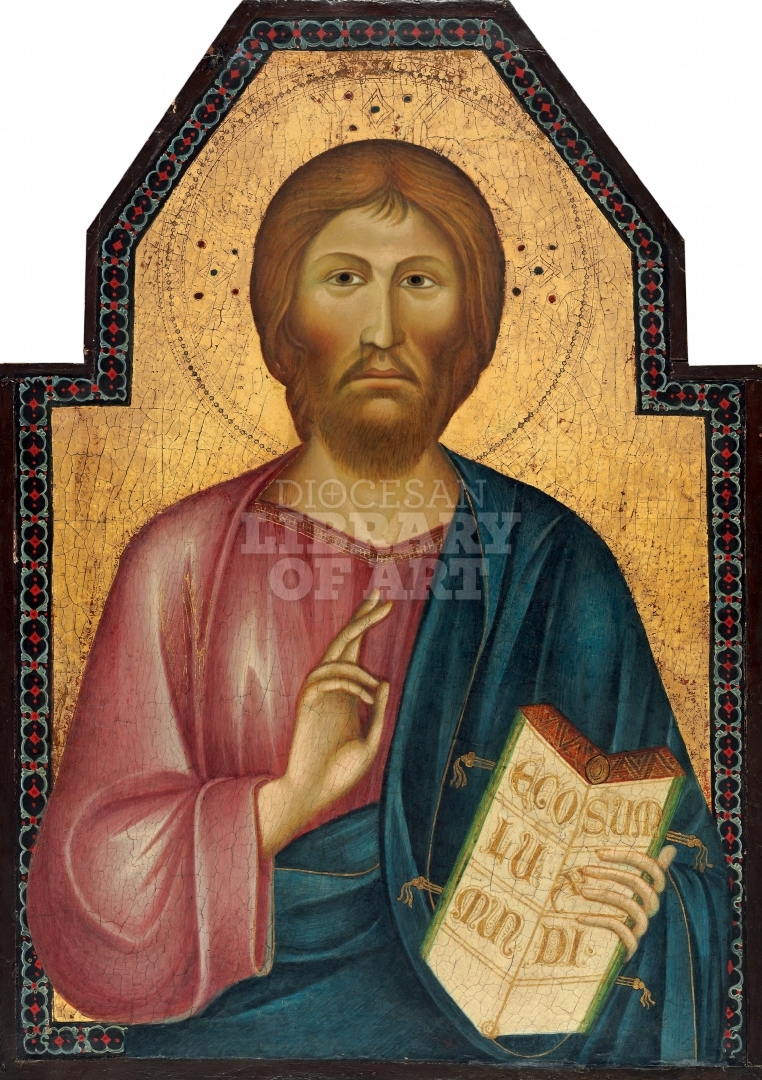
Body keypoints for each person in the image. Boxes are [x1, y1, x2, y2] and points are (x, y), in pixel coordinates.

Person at [27, 140, 729, 1064]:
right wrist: (287, 800)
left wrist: (638, 907)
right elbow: (82, 906)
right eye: (345, 279)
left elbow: (684, 861)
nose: (383, 330)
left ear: (471, 325)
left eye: (422, 282)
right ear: (285, 316)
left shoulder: (557, 562)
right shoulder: (183, 559)